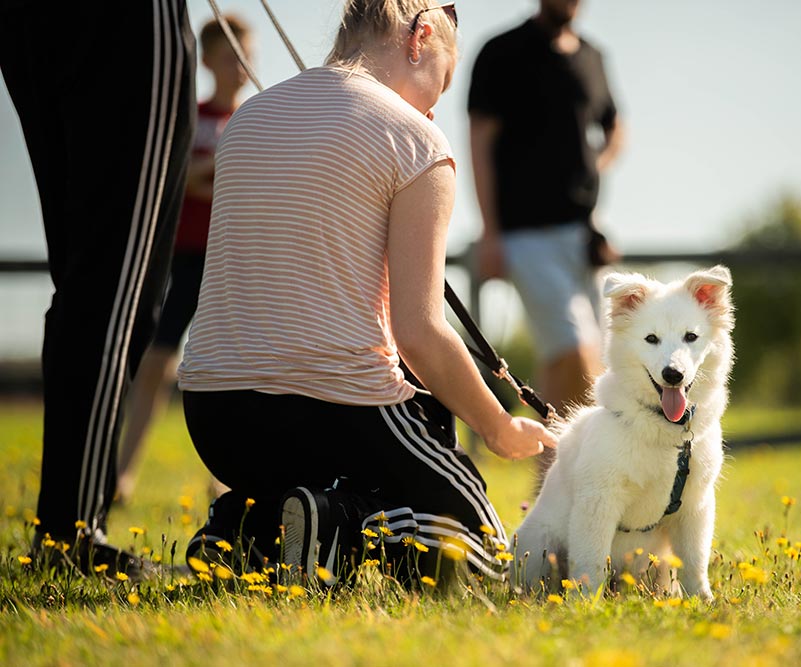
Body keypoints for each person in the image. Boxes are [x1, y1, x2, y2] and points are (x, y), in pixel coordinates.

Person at [177, 0, 557, 583]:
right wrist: (498, 427)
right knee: (481, 552)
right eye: (442, 81)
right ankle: (338, 524)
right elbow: (420, 334)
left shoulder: (247, 119)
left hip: (215, 414)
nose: (435, 105)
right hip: (333, 409)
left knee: (349, 473)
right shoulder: (415, 140)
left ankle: (246, 530)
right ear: (420, 36)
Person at [0, 1, 195, 576]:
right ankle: (73, 533)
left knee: (86, 282)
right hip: (125, 22)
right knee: (116, 290)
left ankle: (65, 526)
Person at [468, 0, 624, 474]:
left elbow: (615, 126)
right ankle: (596, 471)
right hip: (523, 236)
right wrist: (490, 231)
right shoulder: (502, 52)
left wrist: (590, 169)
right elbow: (479, 141)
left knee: (577, 360)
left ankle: (550, 486)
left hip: (583, 238)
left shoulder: (593, 57)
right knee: (572, 350)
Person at [116, 15, 254, 504]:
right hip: (182, 258)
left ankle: (228, 480)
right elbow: (180, 179)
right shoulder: (189, 118)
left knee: (236, 370)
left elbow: (233, 183)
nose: (240, 67)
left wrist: (207, 173)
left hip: (232, 260)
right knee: (156, 363)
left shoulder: (255, 117)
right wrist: (215, 168)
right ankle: (122, 474)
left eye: (246, 57)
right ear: (209, 61)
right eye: (230, 56)